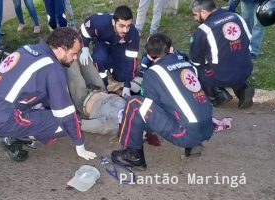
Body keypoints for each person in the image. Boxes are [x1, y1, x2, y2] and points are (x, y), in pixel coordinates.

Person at [0, 27, 96, 161]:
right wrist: (79, 143)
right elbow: (65, 114)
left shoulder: (29, 48)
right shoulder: (53, 69)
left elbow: (44, 93)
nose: (75, 58)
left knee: (45, 110)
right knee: (67, 124)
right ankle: (10, 138)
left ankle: (14, 129)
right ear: (61, 48)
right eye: (73, 53)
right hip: (4, 118)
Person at [111, 33, 214, 170]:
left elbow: (148, 112)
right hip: (207, 127)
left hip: (186, 133)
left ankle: (134, 155)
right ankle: (194, 144)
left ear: (148, 56)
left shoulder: (152, 74)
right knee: (180, 103)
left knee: (134, 104)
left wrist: (142, 131)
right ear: (171, 50)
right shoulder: (187, 65)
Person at [189, 0, 255, 109]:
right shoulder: (237, 17)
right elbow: (248, 40)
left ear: (204, 12)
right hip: (246, 68)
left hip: (223, 75)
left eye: (195, 15)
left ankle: (218, 93)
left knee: (194, 68)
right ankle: (243, 88)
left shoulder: (202, 30)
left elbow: (195, 61)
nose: (195, 18)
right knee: (231, 58)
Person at [79, 5, 140, 98]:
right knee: (99, 57)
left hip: (120, 46)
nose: (125, 30)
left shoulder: (133, 33)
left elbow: (131, 60)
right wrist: (85, 48)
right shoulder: (99, 22)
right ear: (113, 22)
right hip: (102, 42)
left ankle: (112, 67)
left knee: (120, 77)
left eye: (128, 26)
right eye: (121, 26)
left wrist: (127, 85)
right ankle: (103, 83)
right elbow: (85, 31)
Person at [66, 58, 126, 135]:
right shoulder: (132, 107)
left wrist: (72, 122)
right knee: (84, 59)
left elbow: (85, 125)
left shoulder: (114, 126)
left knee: (72, 66)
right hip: (100, 89)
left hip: (83, 100)